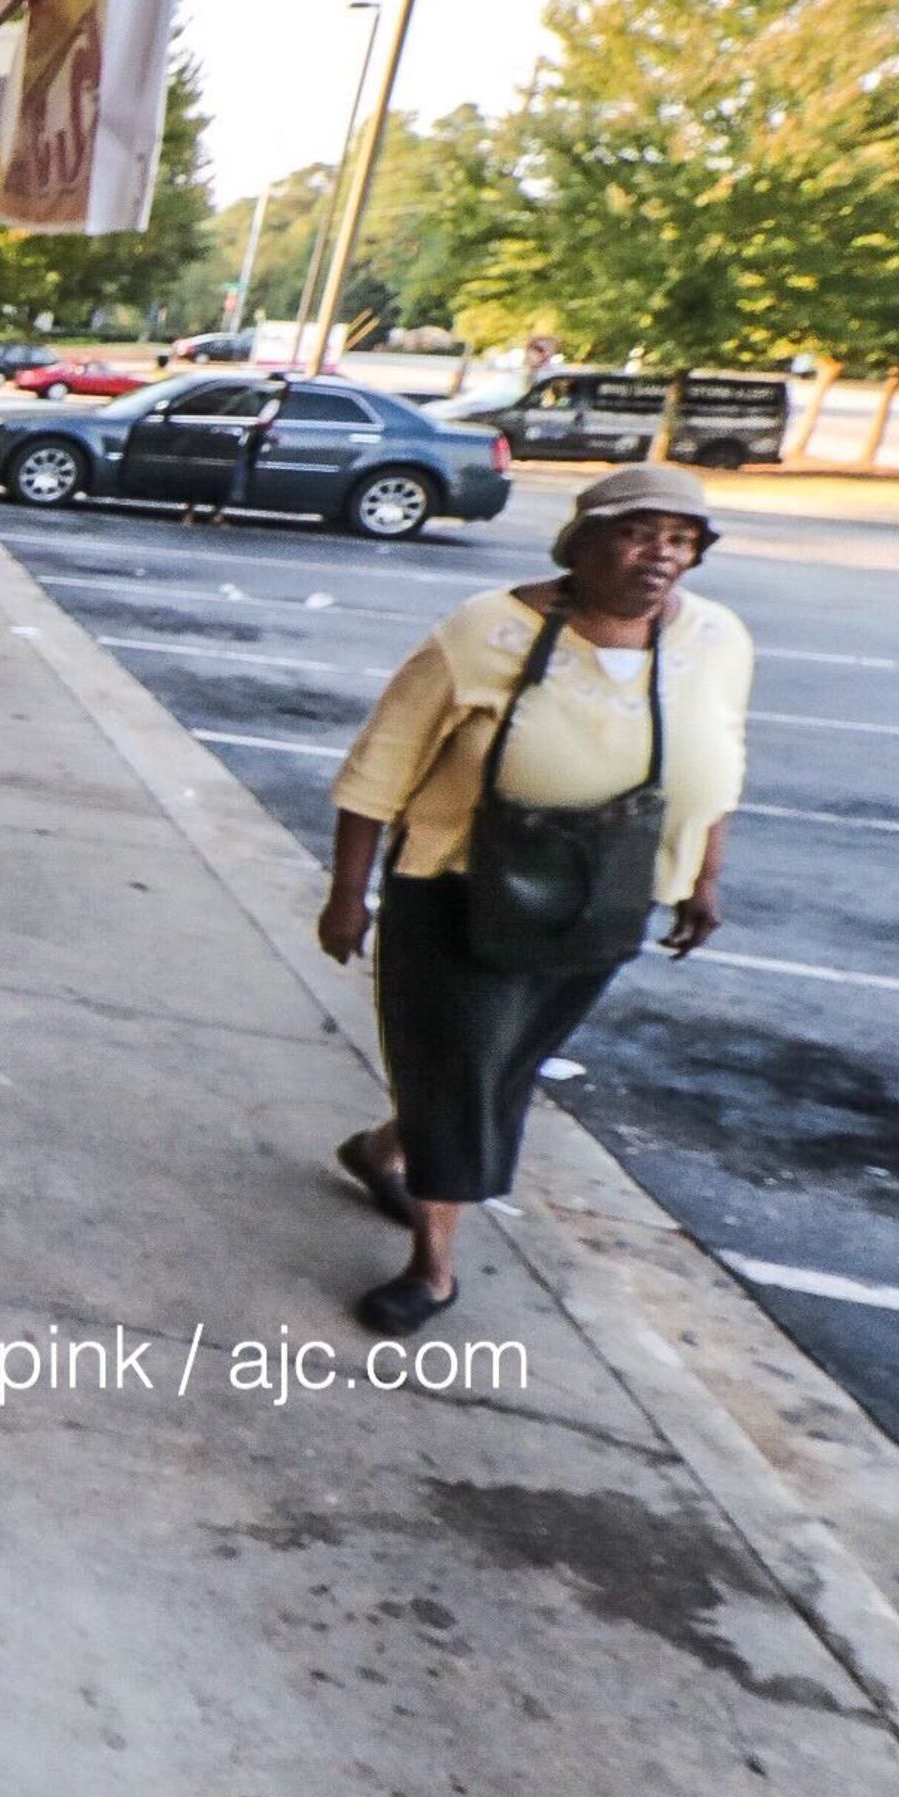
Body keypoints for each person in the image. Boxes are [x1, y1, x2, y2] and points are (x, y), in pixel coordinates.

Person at [316, 463, 753, 1335]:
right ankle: (434, 1269)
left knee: (496, 1064)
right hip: (457, 892)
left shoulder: (717, 638)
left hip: (608, 898)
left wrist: (703, 877)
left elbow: (722, 760)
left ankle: (386, 1149)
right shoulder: (486, 631)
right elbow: (379, 768)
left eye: (680, 540)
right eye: (636, 534)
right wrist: (348, 896)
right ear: (581, 542)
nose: (659, 557)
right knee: (470, 1066)